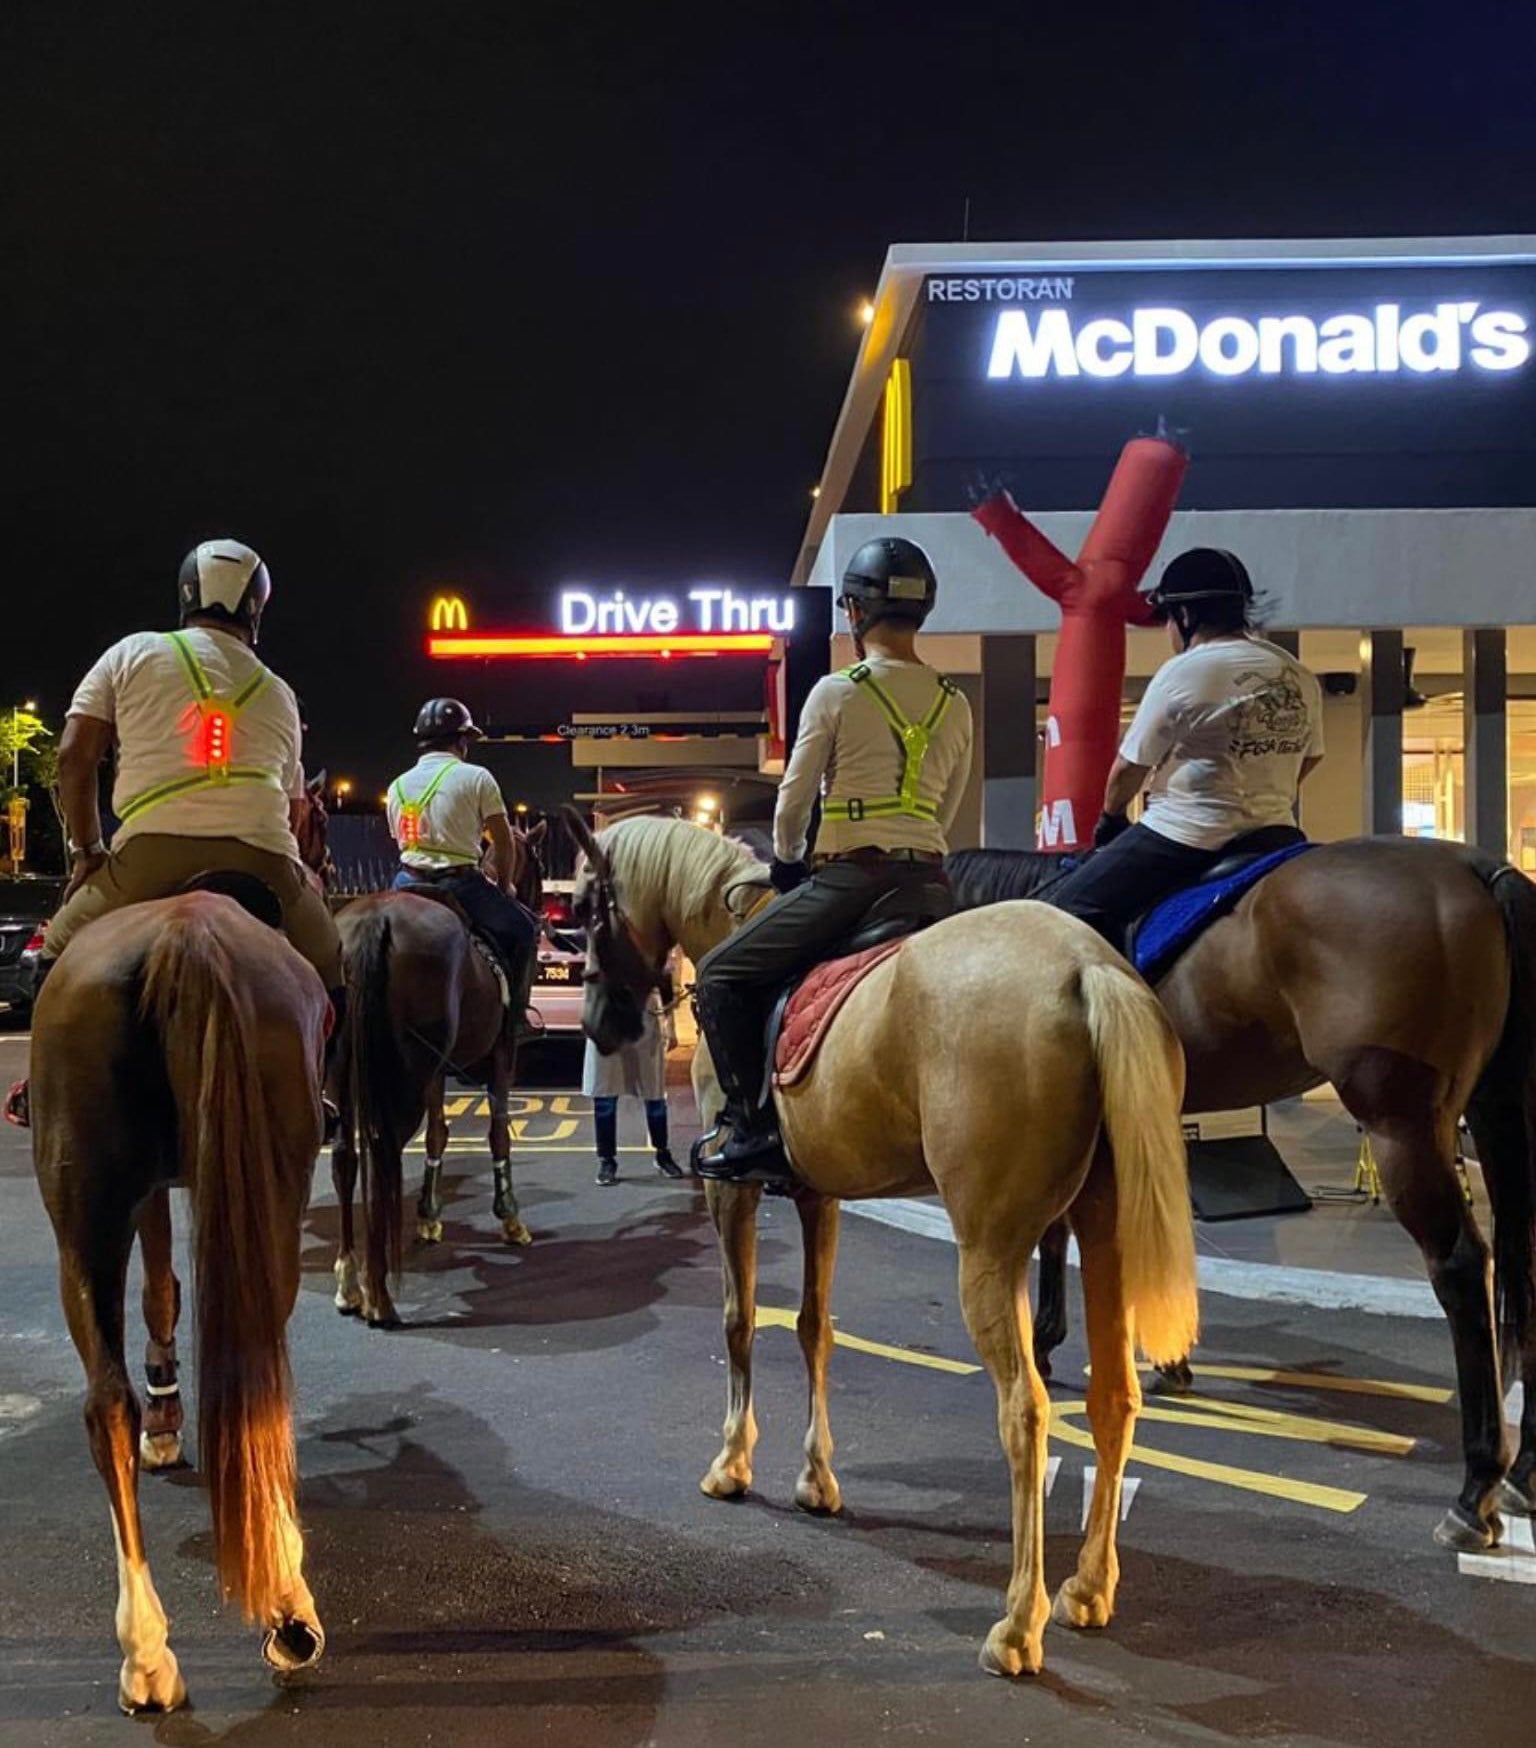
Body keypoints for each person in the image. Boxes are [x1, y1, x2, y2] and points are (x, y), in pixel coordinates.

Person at [4, 539, 346, 1127]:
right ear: (257, 611)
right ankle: (316, 1094)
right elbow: (293, 810)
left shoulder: (131, 653)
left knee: (52, 954)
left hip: (145, 858)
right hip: (265, 861)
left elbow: (71, 758)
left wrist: (87, 852)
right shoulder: (279, 692)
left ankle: (45, 1086)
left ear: (185, 595)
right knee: (333, 968)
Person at [693, 537, 973, 1182]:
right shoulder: (955, 702)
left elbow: (793, 799)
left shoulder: (837, 691)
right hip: (930, 886)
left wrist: (789, 860)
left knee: (719, 976)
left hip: (854, 881)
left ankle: (750, 1129)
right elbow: (947, 808)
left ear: (854, 611)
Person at [1045, 547, 1325, 952]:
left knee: (1067, 910)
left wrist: (1112, 817)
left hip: (1185, 833)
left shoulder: (1186, 670)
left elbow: (1128, 768)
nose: (1167, 631)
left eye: (1166, 619)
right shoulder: (1296, 673)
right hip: (1274, 833)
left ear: (1186, 616)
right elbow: (1312, 756)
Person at [387, 699, 538, 987]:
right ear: (461, 740)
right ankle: (518, 1021)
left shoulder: (397, 786)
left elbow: (401, 840)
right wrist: (505, 886)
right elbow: (504, 842)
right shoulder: (477, 777)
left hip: (406, 882)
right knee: (524, 932)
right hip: (460, 885)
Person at [583, 984, 683, 1186]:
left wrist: (671, 1024)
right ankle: (607, 1160)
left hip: (644, 1017)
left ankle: (662, 1153)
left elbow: (665, 980)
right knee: (605, 1098)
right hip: (607, 1019)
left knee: (654, 1096)